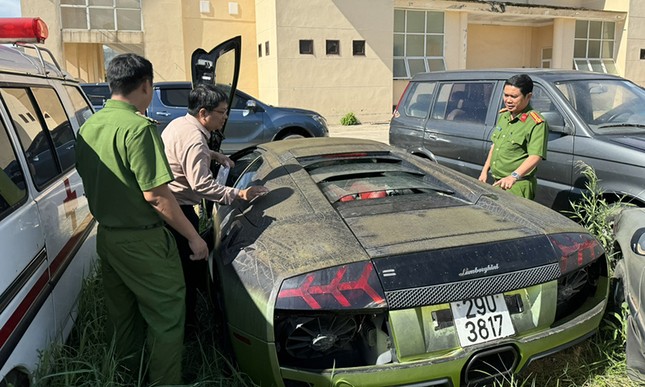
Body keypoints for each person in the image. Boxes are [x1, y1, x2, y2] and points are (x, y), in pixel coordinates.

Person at [75, 53, 208, 385]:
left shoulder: (89, 126)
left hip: (107, 238)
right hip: (144, 240)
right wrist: (194, 236)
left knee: (122, 317)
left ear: (111, 84)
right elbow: (157, 196)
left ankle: (125, 375)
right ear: (146, 85)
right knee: (166, 316)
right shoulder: (138, 128)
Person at [161, 83, 268, 331]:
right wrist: (239, 193)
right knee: (188, 270)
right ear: (203, 113)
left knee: (187, 266)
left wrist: (213, 155)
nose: (225, 117)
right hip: (180, 210)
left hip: (170, 205)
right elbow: (201, 186)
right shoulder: (195, 141)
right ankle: (188, 326)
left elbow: (185, 154)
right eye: (221, 112)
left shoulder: (180, 124)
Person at [478, 74, 548, 200]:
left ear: (528, 96)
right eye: (506, 95)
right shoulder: (504, 116)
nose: (508, 100)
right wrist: (484, 171)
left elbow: (535, 156)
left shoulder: (535, 122)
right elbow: (495, 146)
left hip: (517, 185)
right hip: (498, 182)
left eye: (514, 96)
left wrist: (514, 176)